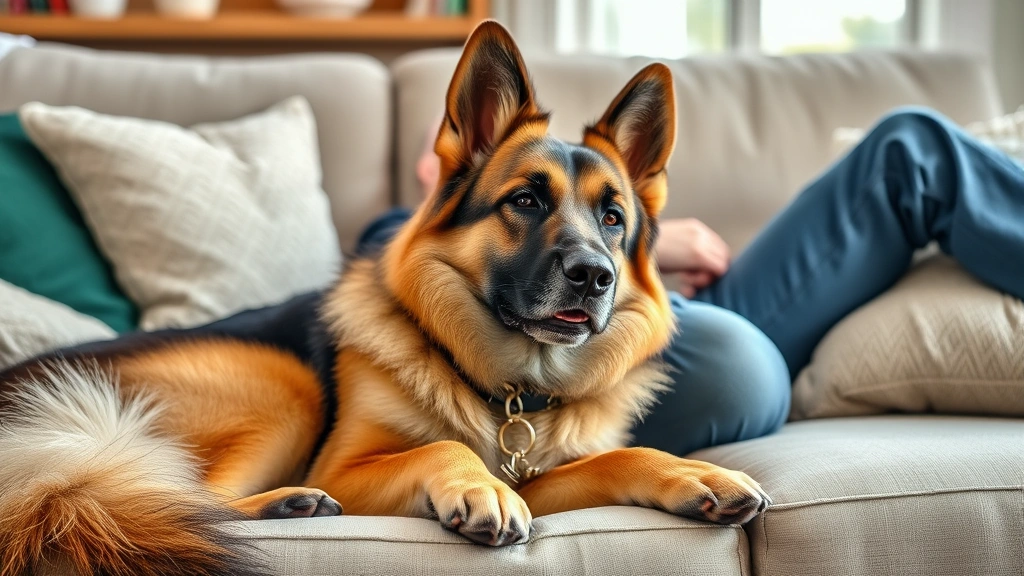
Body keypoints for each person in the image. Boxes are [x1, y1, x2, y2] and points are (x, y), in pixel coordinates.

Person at [357, 107, 1024, 456]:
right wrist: (653, 244)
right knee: (742, 361)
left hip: (691, 311)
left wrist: (619, 235)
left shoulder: (592, 224)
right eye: (527, 194)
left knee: (907, 148)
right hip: (625, 359)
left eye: (604, 209)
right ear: (443, 158)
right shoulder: (402, 243)